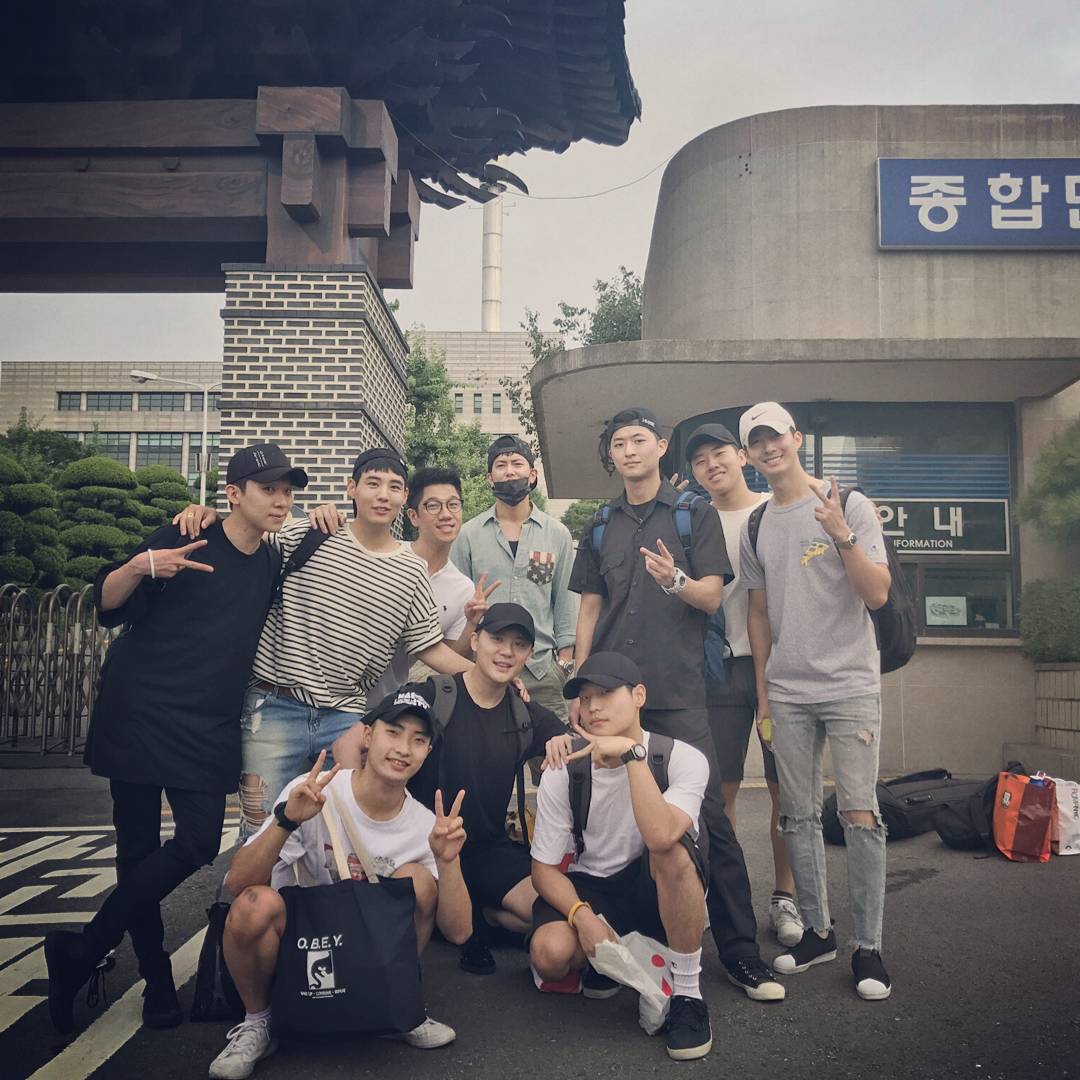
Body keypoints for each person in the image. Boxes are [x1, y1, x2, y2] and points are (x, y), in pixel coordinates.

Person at [44, 443, 306, 1035]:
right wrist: (141, 566)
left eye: (288, 491)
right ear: (233, 494)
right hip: (140, 707)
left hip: (207, 722)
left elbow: (318, 543)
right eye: (268, 489)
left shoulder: (271, 559)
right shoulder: (188, 535)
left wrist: (328, 516)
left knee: (198, 841)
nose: (281, 500)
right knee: (136, 848)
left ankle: (81, 950)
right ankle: (156, 979)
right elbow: (106, 602)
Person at [569, 407, 784, 1002]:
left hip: (681, 694)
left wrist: (673, 580)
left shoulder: (694, 514)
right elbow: (589, 608)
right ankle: (625, 947)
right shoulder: (598, 523)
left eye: (639, 440)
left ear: (660, 447)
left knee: (710, 820)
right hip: (613, 698)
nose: (629, 450)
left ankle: (741, 954)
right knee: (612, 820)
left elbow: (712, 597)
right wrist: (582, 688)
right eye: (619, 443)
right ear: (611, 455)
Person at [175, 448, 473, 839]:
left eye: (394, 487)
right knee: (262, 829)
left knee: (341, 834)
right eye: (373, 484)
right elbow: (244, 538)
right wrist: (208, 514)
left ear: (404, 498)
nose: (383, 495)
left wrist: (486, 676)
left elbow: (429, 647)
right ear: (352, 488)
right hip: (275, 707)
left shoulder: (412, 570)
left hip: (345, 719)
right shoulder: (309, 534)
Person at [209, 690, 472, 1079]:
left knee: (420, 882)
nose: (403, 749)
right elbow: (237, 883)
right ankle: (258, 1021)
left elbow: (460, 932)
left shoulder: (423, 825)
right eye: (393, 732)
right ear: (367, 735)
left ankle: (398, 1004)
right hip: (303, 941)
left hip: (366, 950)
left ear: (427, 752)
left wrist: (449, 862)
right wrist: (286, 820)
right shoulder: (314, 789)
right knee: (252, 905)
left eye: (418, 740)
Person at [738, 401, 893, 1001]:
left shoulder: (847, 504)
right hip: (788, 692)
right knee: (797, 816)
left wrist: (842, 536)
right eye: (757, 441)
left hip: (850, 684)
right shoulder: (756, 523)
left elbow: (877, 594)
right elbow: (757, 614)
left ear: (796, 438)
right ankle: (818, 932)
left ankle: (869, 946)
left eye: (775, 436)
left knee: (860, 815)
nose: (768, 448)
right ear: (749, 454)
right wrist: (763, 696)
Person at [333, 602, 573, 976]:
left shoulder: (524, 713)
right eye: (497, 639)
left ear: (528, 655)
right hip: (423, 848)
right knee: (410, 906)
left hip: (486, 850)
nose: (506, 652)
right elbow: (348, 742)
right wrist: (357, 817)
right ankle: (458, 919)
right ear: (475, 641)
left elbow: (573, 741)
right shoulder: (434, 695)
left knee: (548, 913)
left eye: (519, 645)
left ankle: (484, 915)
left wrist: (561, 739)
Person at [529, 652, 713, 1061]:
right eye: (585, 698)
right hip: (594, 888)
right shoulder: (564, 768)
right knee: (549, 955)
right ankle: (613, 961)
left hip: (653, 883)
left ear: (639, 696)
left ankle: (687, 994)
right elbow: (543, 870)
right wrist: (583, 917)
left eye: (606, 693)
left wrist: (632, 756)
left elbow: (661, 835)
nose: (593, 707)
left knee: (672, 852)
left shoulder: (682, 758)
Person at [684, 423, 803, 948]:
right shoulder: (692, 519)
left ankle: (785, 896)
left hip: (781, 667)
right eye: (700, 460)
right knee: (719, 792)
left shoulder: (772, 512)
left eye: (720, 454)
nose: (712, 465)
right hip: (719, 670)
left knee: (786, 792)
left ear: (741, 456)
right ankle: (723, 896)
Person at [451, 434, 578, 716]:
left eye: (517, 464)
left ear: (532, 475)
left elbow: (566, 603)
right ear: (489, 478)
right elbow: (457, 607)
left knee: (552, 744)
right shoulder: (468, 535)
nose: (509, 471)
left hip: (542, 669)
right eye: (501, 465)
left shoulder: (557, 534)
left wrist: (564, 666)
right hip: (483, 669)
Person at [367, 466, 495, 701]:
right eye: (433, 506)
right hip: (337, 694)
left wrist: (471, 624)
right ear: (413, 516)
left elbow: (448, 659)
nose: (446, 514)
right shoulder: (388, 557)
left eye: (453, 504)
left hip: (386, 704)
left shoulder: (463, 589)